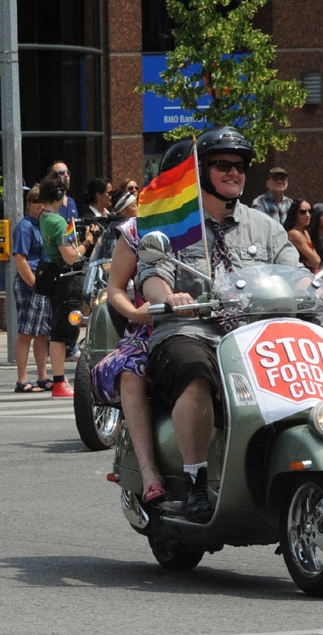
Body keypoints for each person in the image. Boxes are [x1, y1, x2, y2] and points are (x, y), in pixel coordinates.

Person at [138, 126, 303, 522]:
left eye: (240, 167)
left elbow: (294, 272)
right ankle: (196, 480)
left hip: (254, 333)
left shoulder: (265, 226)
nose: (234, 173)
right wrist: (169, 297)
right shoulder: (177, 225)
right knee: (196, 374)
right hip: (192, 330)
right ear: (201, 172)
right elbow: (153, 276)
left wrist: (318, 291)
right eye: (223, 165)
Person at [95, 139, 195, 505]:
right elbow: (115, 290)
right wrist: (137, 313)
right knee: (131, 372)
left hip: (215, 326)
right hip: (150, 328)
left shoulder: (222, 225)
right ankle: (150, 472)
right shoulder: (137, 229)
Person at [36, 175, 84, 398]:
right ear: (58, 195)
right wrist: (88, 243)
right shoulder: (58, 223)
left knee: (60, 331)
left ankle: (59, 381)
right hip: (67, 280)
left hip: (58, 279)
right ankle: (59, 382)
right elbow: (70, 256)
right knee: (62, 332)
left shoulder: (44, 218)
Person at [11, 186, 51, 392]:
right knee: (26, 332)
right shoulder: (24, 227)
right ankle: (22, 379)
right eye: (36, 201)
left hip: (44, 282)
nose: (40, 205)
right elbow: (20, 259)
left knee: (43, 333)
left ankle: (43, 377)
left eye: (43, 201)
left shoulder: (44, 224)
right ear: (28, 204)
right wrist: (34, 284)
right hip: (30, 282)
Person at [284, 199, 320, 270]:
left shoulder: (305, 232)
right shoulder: (294, 234)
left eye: (310, 211)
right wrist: (308, 262)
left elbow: (316, 260)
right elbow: (316, 261)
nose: (308, 215)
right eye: (303, 212)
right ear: (295, 214)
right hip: (299, 272)